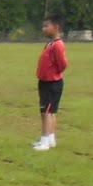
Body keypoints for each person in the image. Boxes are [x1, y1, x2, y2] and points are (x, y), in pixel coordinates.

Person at [32, 14, 67, 151]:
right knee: (48, 111)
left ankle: (45, 141)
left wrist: (53, 73)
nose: (43, 29)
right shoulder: (50, 44)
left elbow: (62, 64)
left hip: (52, 83)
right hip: (45, 82)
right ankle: (51, 138)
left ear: (56, 27)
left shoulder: (57, 46)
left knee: (48, 112)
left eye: (47, 26)